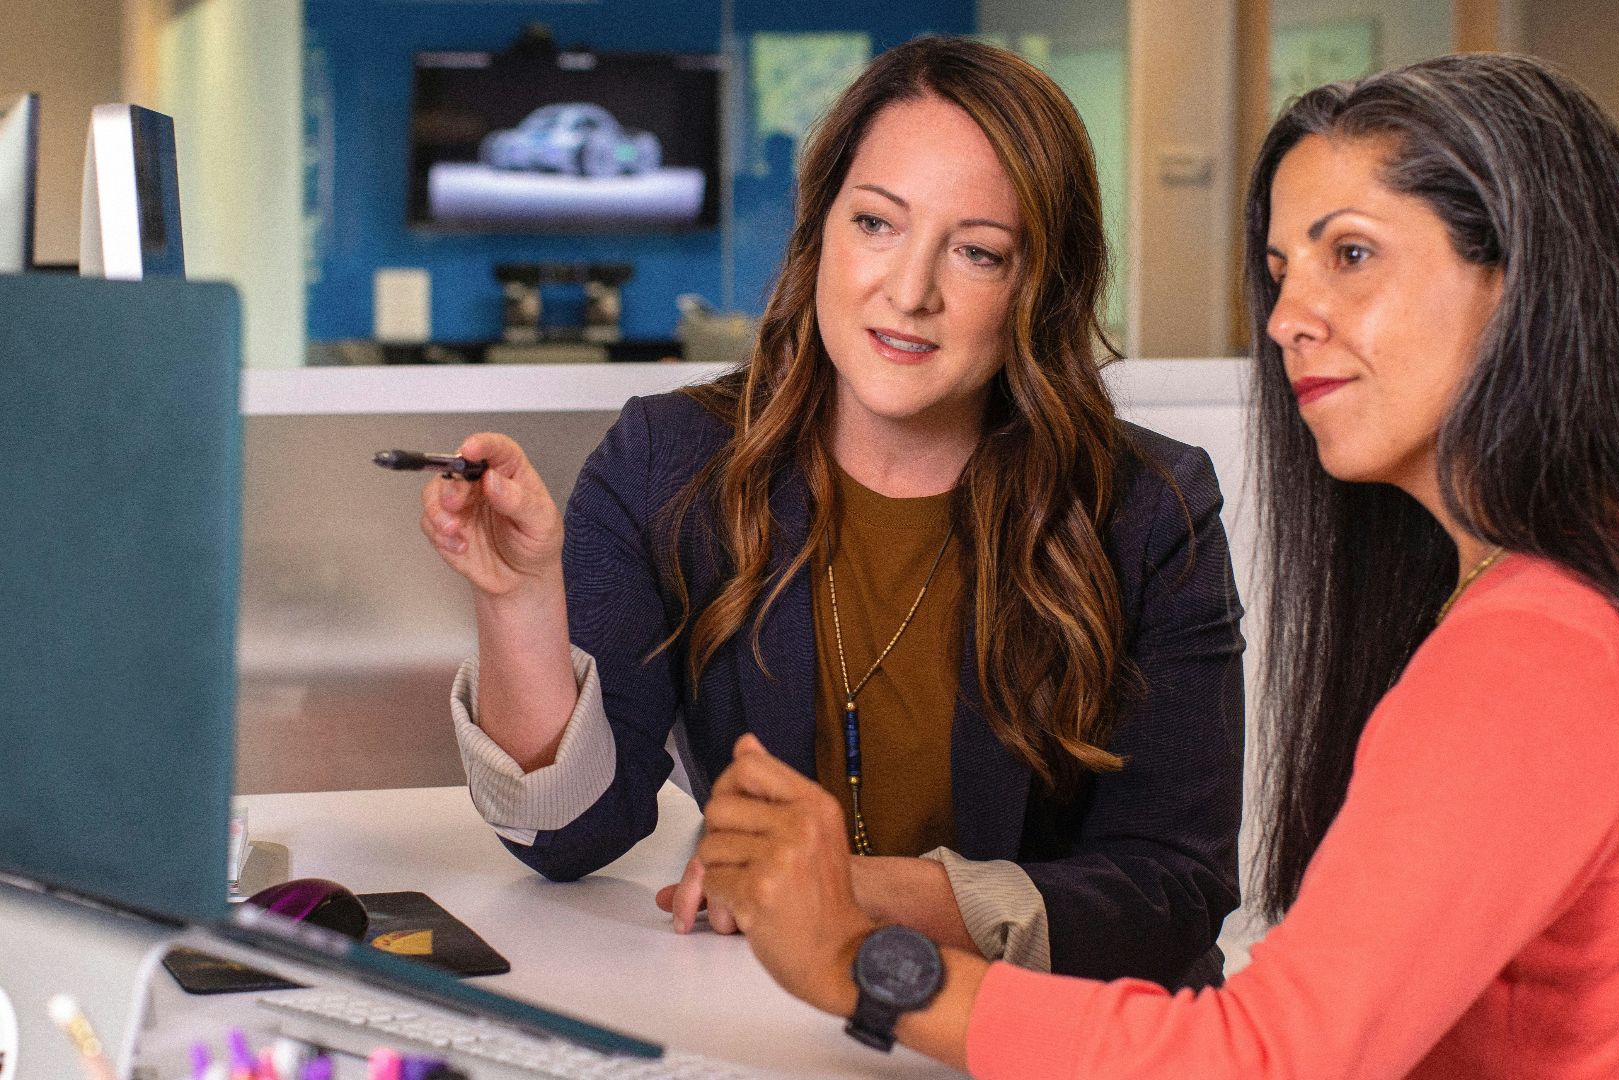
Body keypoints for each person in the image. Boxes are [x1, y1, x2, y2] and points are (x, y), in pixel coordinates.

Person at [691, 52, 1619, 1078]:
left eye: (1352, 256)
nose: (1290, 314)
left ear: (1523, 283)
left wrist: (861, 966)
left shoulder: (1540, 650)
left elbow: (1273, 1058)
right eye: (1284, 267)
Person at [418, 37, 1245, 990]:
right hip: (776, 1026)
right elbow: (569, 835)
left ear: (1037, 287)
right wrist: (521, 598)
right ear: (821, 232)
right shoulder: (670, 464)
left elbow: (1171, 893)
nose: (909, 290)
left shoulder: (1148, 509)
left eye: (977, 251)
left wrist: (846, 889)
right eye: (877, 224)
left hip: (1043, 1037)